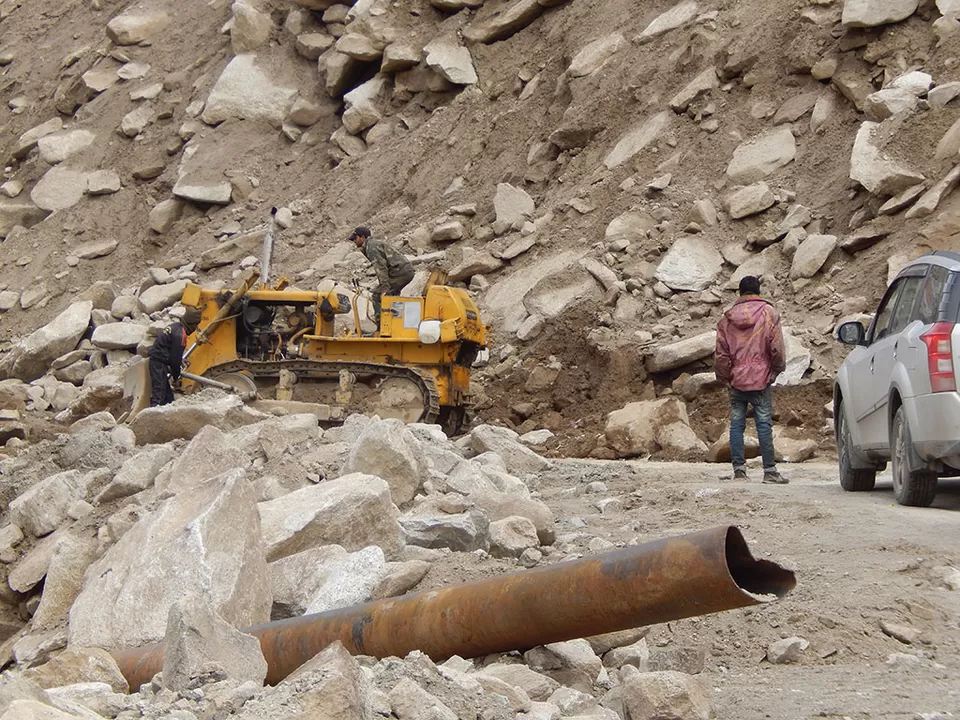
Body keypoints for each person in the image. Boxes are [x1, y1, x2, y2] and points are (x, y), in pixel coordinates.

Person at [715, 276, 788, 484]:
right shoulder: (769, 313)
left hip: (736, 378)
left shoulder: (727, 319)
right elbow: (777, 348)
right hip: (761, 377)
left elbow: (721, 354)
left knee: (737, 423)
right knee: (764, 424)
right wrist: (775, 370)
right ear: (758, 291)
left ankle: (739, 471)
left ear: (740, 293)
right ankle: (770, 472)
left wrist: (725, 377)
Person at [348, 226, 415, 328]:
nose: (354, 241)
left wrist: (384, 287)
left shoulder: (371, 247)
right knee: (392, 297)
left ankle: (382, 328)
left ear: (362, 237)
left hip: (400, 272)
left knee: (377, 295)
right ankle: (396, 326)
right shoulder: (373, 244)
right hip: (403, 271)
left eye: (355, 238)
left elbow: (381, 268)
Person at [148, 307, 201, 407]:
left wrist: (179, 361)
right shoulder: (180, 335)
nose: (195, 329)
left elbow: (171, 352)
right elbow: (175, 360)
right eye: (196, 325)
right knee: (158, 395)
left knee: (168, 398)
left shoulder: (175, 327)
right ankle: (150, 417)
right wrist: (176, 377)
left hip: (158, 360)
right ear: (192, 324)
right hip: (159, 363)